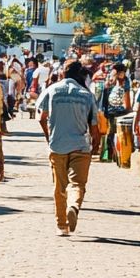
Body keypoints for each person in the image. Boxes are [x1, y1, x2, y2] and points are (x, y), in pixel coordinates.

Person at [36, 60, 99, 236]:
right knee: (77, 183)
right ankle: (74, 205)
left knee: (59, 186)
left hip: (57, 145)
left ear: (63, 72)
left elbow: (41, 117)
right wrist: (96, 143)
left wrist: (49, 136)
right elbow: (95, 125)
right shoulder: (86, 95)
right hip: (80, 145)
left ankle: (61, 225)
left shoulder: (52, 90)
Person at [100, 62, 132, 162]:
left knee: (116, 132)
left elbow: (126, 97)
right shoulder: (113, 81)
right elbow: (106, 95)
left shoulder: (123, 81)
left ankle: (115, 154)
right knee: (113, 132)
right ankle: (112, 154)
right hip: (113, 111)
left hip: (118, 111)